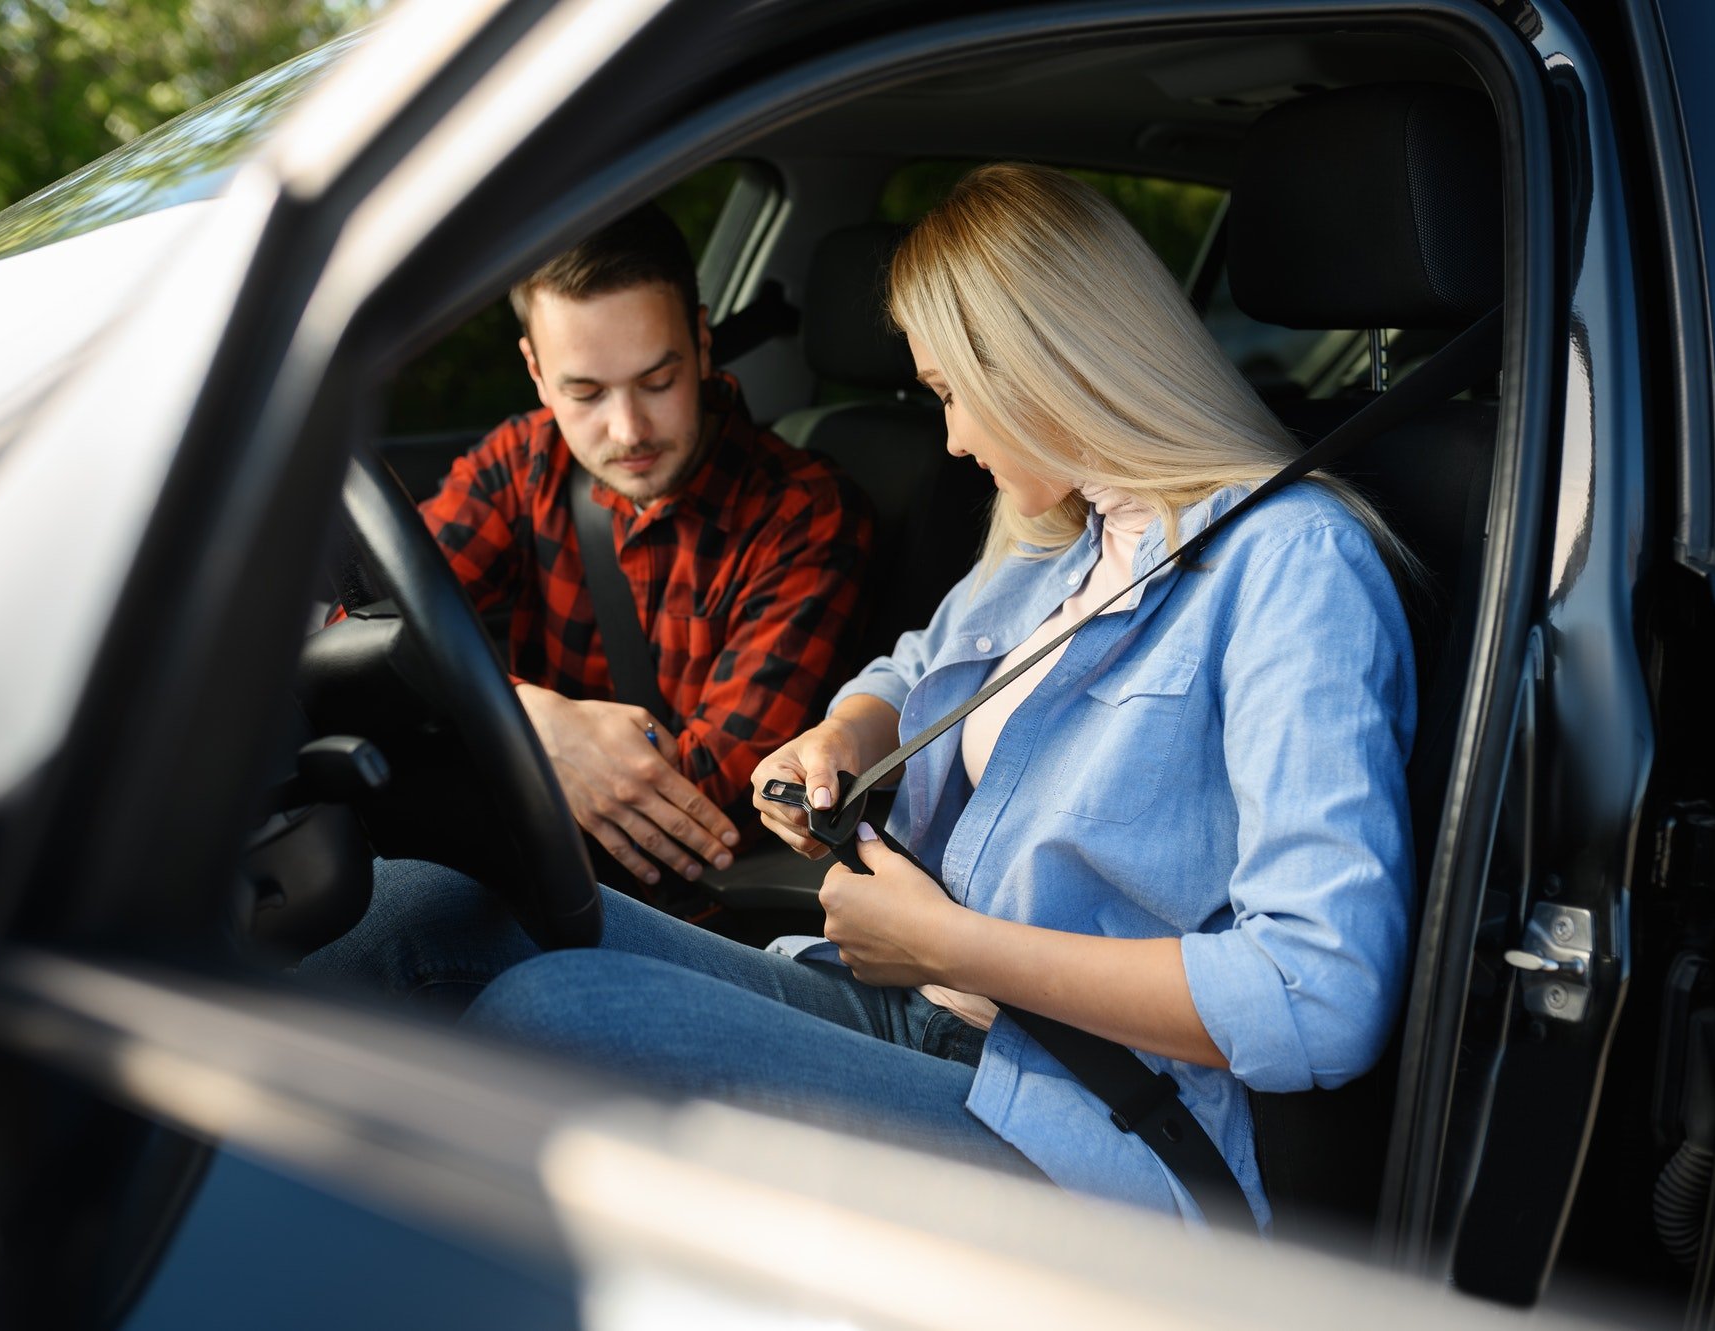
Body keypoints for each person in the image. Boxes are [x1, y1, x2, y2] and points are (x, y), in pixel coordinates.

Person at [324, 165, 1417, 1228]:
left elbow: (1317, 992)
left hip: (1091, 1118)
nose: (950, 438)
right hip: (922, 1009)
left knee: (546, 1015)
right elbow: (905, 670)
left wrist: (950, 945)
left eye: (951, 393)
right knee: (416, 906)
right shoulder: (1055, 539)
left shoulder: (1289, 561)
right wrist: (841, 736)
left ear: (1042, 364)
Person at [405, 204, 873, 896]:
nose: (628, 430)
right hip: (523, 863)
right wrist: (535, 724)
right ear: (536, 370)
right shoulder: (519, 462)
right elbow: (368, 627)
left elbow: (706, 801)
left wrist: (482, 728)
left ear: (703, 345)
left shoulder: (803, 511)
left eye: (658, 382)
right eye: (585, 392)